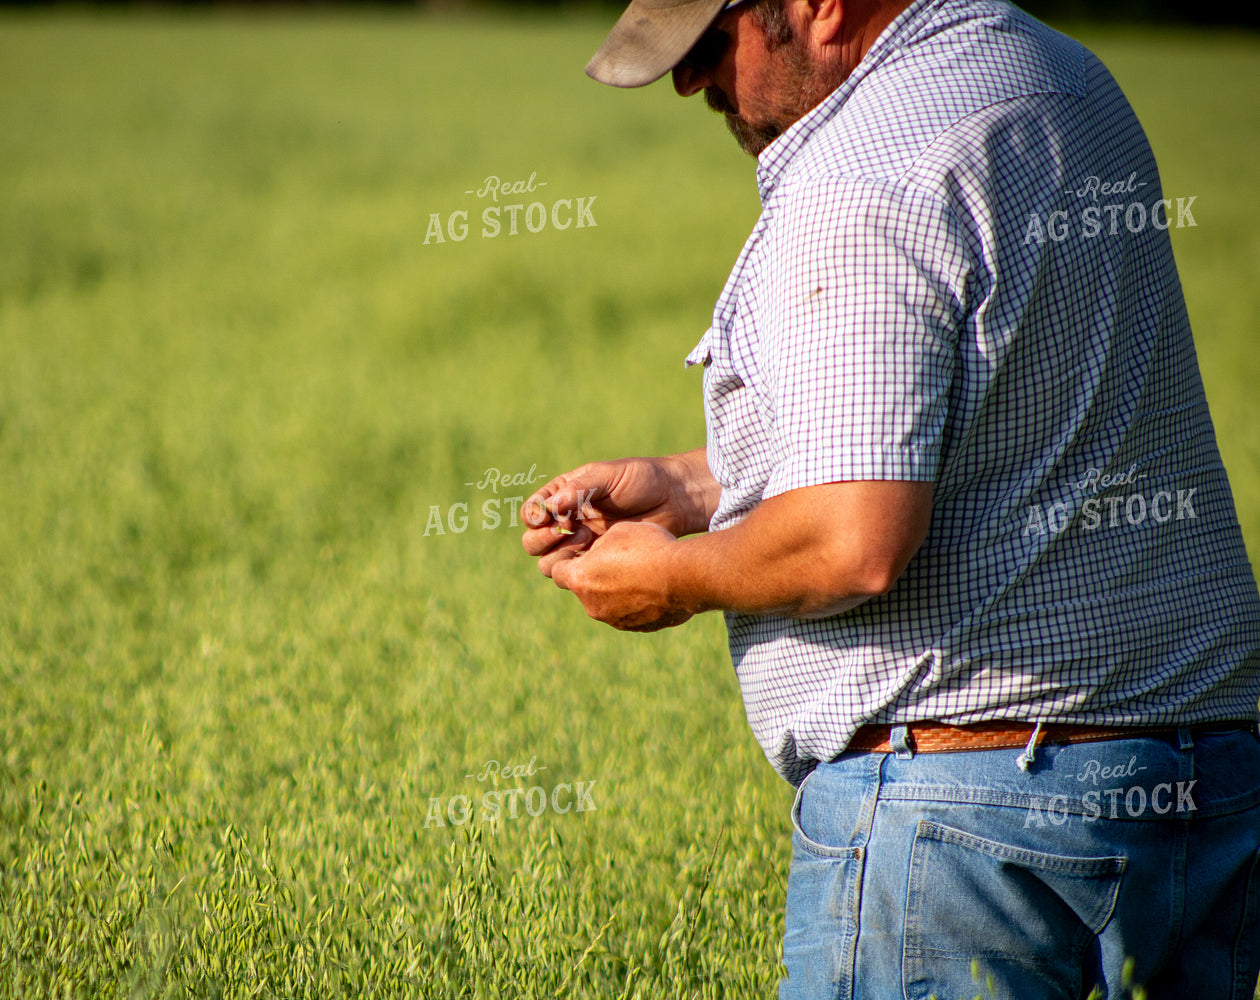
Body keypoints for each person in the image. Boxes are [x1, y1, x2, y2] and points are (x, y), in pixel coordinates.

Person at [519, 0, 1260, 996]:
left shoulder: (862, 172)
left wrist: (671, 579)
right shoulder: (1064, 79)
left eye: (709, 44)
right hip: (1204, 792)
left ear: (820, 7)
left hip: (969, 821)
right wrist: (690, 486)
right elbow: (988, 415)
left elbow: (852, 542)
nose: (692, 82)